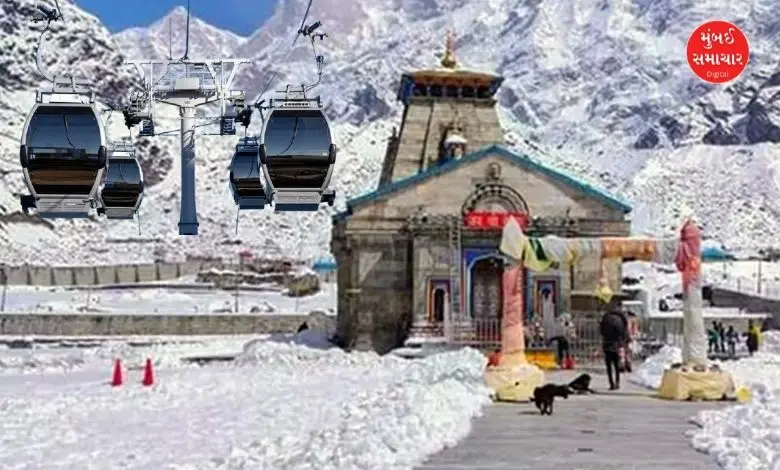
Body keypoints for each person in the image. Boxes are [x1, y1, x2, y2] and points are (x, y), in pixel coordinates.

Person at [599, 306, 630, 390]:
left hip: (607, 344)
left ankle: (611, 383)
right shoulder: (621, 319)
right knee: (616, 365)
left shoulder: (606, 318)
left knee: (608, 366)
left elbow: (601, 331)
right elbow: (624, 332)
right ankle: (617, 382)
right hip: (617, 344)